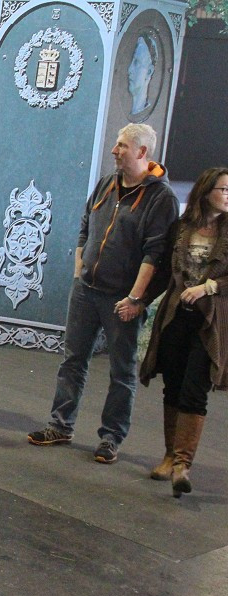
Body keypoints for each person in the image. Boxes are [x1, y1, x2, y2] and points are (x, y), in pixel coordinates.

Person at [28, 123, 179, 463]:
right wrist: (79, 270)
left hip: (122, 299)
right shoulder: (105, 185)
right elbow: (86, 226)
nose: (115, 150)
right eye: (115, 144)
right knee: (72, 361)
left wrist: (136, 300)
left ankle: (111, 438)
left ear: (142, 152)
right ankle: (60, 425)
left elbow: (155, 255)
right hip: (86, 291)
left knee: (121, 372)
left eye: (122, 145)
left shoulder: (161, 198)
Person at [138, 167, 228, 498]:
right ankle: (168, 456)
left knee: (195, 390)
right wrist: (139, 300)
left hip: (211, 322)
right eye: (225, 189)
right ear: (206, 192)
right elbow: (164, 272)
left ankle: (182, 466)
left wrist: (210, 286)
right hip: (176, 316)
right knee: (173, 386)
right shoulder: (182, 227)